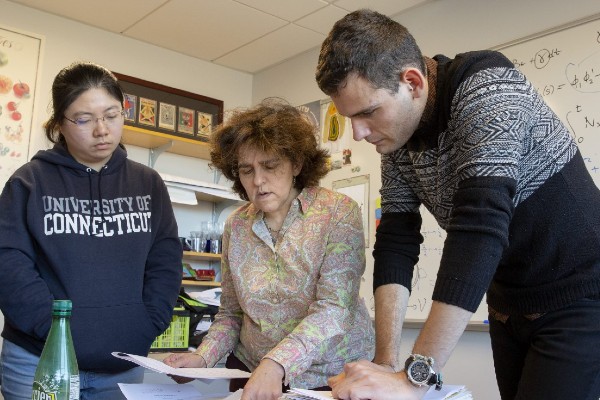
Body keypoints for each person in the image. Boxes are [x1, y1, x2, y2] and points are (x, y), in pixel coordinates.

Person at [315, 9, 600, 400]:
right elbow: (397, 239)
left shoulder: (486, 85)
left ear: (411, 82)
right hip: (509, 306)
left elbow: (479, 228)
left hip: (581, 294)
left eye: (367, 113)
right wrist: (385, 364)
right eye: (350, 118)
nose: (359, 133)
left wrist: (413, 378)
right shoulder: (396, 138)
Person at [163, 98, 375, 400]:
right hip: (252, 372)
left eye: (270, 166)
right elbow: (231, 314)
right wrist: (203, 357)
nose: (258, 181)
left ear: (296, 164)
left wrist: (277, 363)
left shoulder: (338, 213)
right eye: (246, 170)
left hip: (329, 377)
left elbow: (334, 309)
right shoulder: (236, 226)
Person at [0, 61, 182, 400]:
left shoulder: (148, 183)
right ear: (60, 124)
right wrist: (56, 332)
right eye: (84, 119)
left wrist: (148, 323)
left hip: (123, 364)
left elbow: (165, 261)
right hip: (39, 361)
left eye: (112, 115)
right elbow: (9, 265)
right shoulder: (28, 182)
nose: (102, 130)